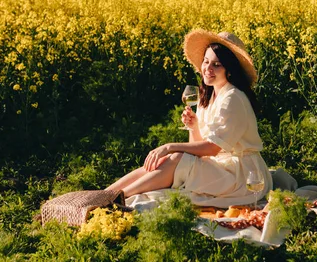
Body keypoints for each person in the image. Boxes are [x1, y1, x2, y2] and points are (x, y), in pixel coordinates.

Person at [106, 29, 272, 207]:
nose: (208, 69)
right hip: (219, 167)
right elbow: (198, 148)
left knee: (175, 157)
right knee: (168, 160)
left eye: (217, 65)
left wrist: (169, 147)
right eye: (206, 62)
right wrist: (194, 127)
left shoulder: (232, 98)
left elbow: (212, 149)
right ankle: (105, 193)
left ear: (229, 70)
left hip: (242, 176)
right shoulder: (208, 96)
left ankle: (115, 200)